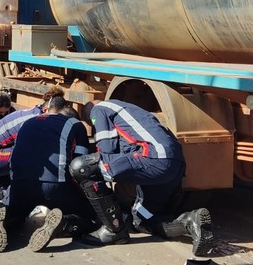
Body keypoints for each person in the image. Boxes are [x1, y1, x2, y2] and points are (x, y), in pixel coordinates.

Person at [70, 99, 214, 257]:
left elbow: (106, 151)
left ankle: (113, 229)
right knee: (141, 220)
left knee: (82, 167)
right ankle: (189, 222)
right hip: (174, 166)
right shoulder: (134, 110)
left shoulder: (100, 108)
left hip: (153, 158)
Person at [0, 98, 96, 253]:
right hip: (55, 185)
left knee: (18, 213)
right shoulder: (76, 125)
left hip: (20, 183)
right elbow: (81, 164)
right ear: (73, 117)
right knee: (90, 219)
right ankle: (65, 223)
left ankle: (7, 218)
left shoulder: (29, 122)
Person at [0, 87, 64, 195]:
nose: (3, 114)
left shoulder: (35, 112)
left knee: (10, 188)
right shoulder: (33, 120)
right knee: (30, 156)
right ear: (45, 110)